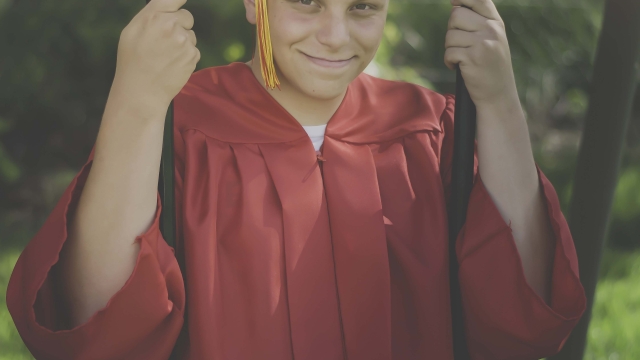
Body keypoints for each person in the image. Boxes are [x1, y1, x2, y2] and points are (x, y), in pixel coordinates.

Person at [6, 0, 587, 358]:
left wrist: (500, 104)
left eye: (362, 6)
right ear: (253, 3)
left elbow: (522, 322)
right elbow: (97, 327)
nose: (335, 34)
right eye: (306, 0)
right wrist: (134, 101)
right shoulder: (178, 127)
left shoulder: (429, 131)